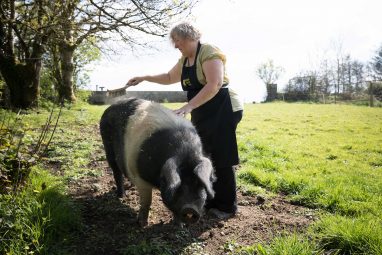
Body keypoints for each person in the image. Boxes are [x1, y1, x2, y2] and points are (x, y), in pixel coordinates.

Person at [127, 22, 243, 219]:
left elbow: (214, 84)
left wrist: (188, 106)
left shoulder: (208, 51)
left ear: (189, 37)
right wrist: (145, 77)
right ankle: (208, 200)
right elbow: (169, 76)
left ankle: (226, 207)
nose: (175, 45)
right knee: (204, 155)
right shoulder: (185, 59)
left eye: (177, 40)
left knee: (222, 156)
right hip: (202, 109)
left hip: (223, 108)